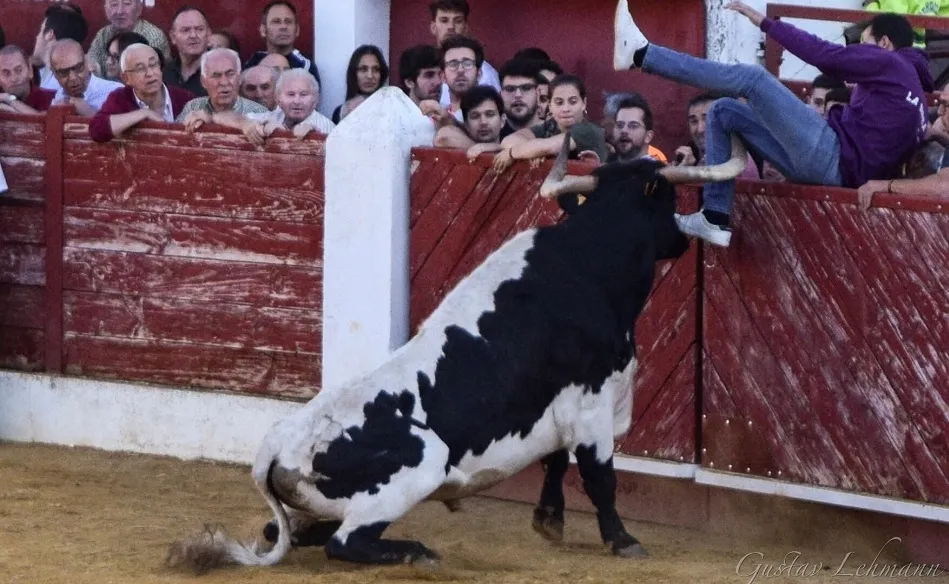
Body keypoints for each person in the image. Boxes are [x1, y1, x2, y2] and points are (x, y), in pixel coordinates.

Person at [613, 0, 933, 247]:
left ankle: (643, 55)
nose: (857, 52)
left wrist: (765, 23)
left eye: (863, 43)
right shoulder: (916, 102)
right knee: (723, 111)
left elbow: (826, 56)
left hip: (830, 158)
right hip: (832, 172)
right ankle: (715, 216)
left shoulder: (891, 64)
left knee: (752, 78)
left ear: (886, 44)